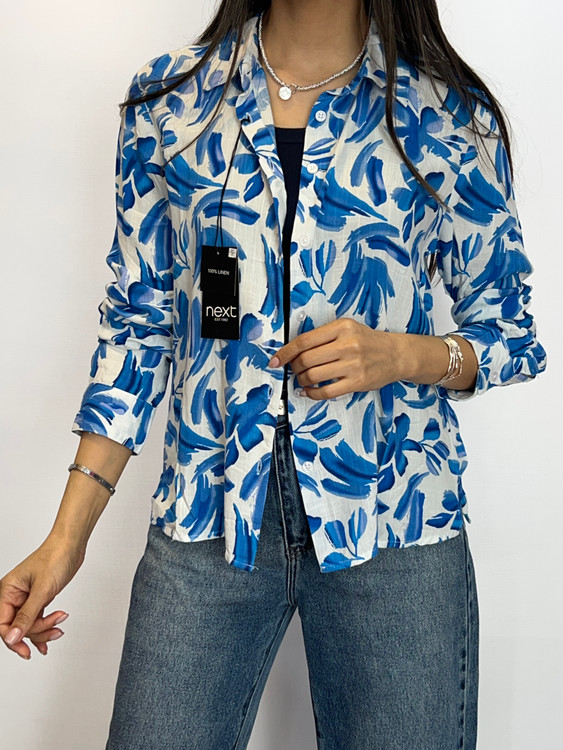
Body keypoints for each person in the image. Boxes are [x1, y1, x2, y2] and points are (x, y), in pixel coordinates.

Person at [0, 0, 547, 748]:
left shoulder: (445, 113)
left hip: (395, 517)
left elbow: (511, 333)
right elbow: (137, 330)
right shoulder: (172, 102)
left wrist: (399, 355)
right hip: (208, 510)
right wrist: (65, 539)